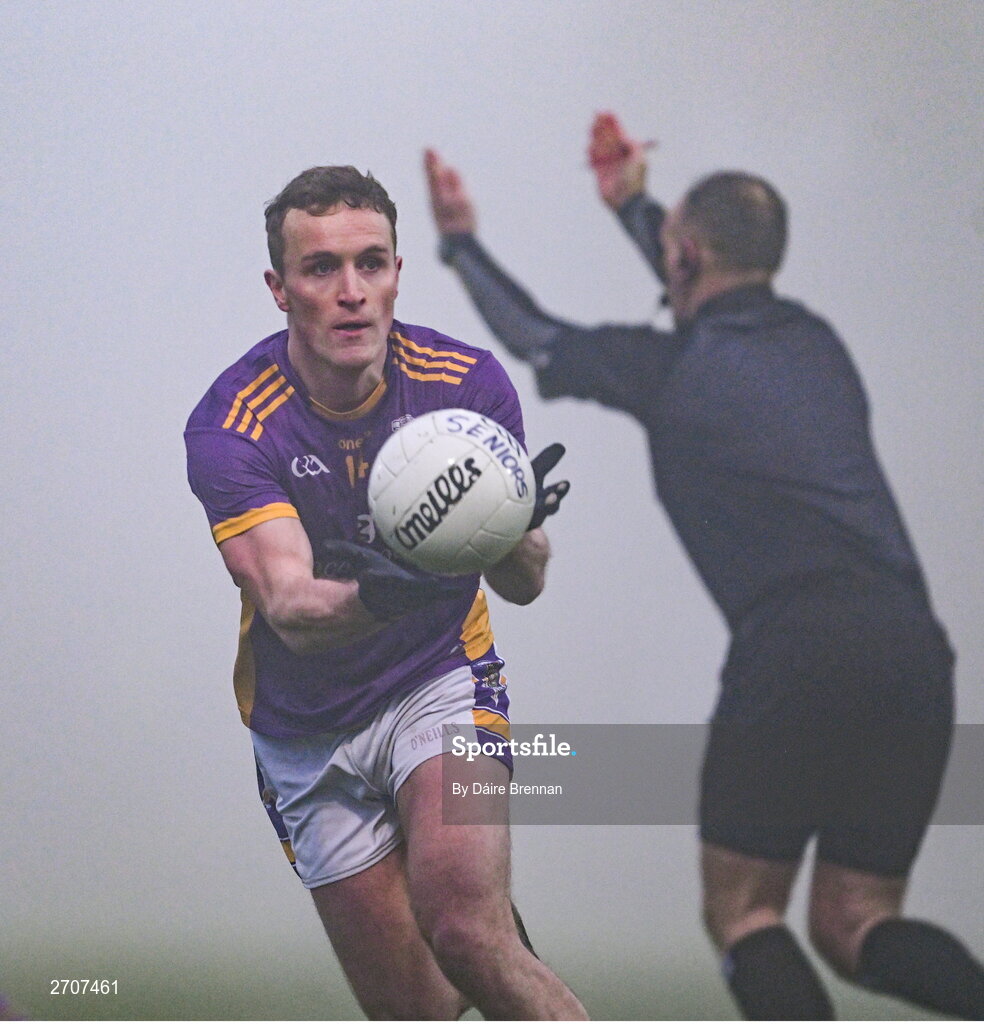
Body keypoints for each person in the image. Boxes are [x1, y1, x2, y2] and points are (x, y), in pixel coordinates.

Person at [424, 114, 984, 1020]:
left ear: (682, 253)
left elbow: (534, 336)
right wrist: (635, 204)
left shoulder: (670, 368)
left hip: (795, 650)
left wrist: (459, 246)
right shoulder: (817, 344)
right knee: (856, 922)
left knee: (745, 913)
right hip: (913, 653)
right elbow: (707, 276)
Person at [184, 165, 585, 1020]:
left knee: (466, 931)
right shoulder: (231, 425)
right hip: (306, 735)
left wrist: (512, 529)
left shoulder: (466, 388)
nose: (352, 292)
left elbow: (527, 583)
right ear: (279, 289)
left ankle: (487, 932)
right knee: (419, 1013)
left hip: (437, 678)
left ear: (400, 271)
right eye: (322, 269)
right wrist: (392, 586)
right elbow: (291, 610)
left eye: (373, 263)